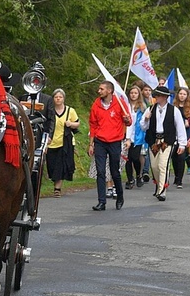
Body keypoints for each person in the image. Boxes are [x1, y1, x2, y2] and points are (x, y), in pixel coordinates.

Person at [140, 86, 187, 201]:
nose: (156, 97)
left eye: (159, 96)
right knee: (155, 166)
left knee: (163, 165)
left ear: (165, 97)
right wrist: (146, 119)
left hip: (167, 141)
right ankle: (158, 185)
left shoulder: (173, 110)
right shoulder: (150, 109)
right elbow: (143, 127)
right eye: (156, 95)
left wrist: (182, 144)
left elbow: (180, 127)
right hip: (153, 140)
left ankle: (162, 190)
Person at [88, 81, 130, 210]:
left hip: (115, 141)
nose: (99, 91)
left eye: (101, 89)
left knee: (114, 171)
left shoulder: (120, 104)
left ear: (109, 91)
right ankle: (102, 202)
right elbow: (93, 124)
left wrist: (127, 120)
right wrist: (91, 144)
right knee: (100, 171)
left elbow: (128, 122)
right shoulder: (96, 104)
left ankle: (120, 196)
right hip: (100, 141)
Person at [46, 89, 79, 197]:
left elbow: (77, 123)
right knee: (51, 166)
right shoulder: (49, 111)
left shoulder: (70, 111)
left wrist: (70, 124)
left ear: (63, 98)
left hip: (64, 143)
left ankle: (57, 189)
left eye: (60, 97)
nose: (58, 99)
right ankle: (54, 182)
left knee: (60, 166)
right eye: (56, 97)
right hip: (51, 143)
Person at [125, 85, 147, 189]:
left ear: (139, 95)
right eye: (132, 93)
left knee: (135, 157)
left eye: (135, 93)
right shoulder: (125, 105)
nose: (133, 95)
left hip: (137, 136)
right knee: (127, 158)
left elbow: (144, 123)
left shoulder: (142, 107)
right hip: (126, 135)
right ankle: (130, 179)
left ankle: (138, 174)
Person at [171, 87, 190, 189]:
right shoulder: (173, 107)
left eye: (184, 94)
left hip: (185, 134)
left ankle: (179, 179)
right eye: (180, 94)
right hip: (174, 134)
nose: (182, 96)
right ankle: (176, 176)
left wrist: (189, 123)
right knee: (174, 157)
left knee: (181, 157)